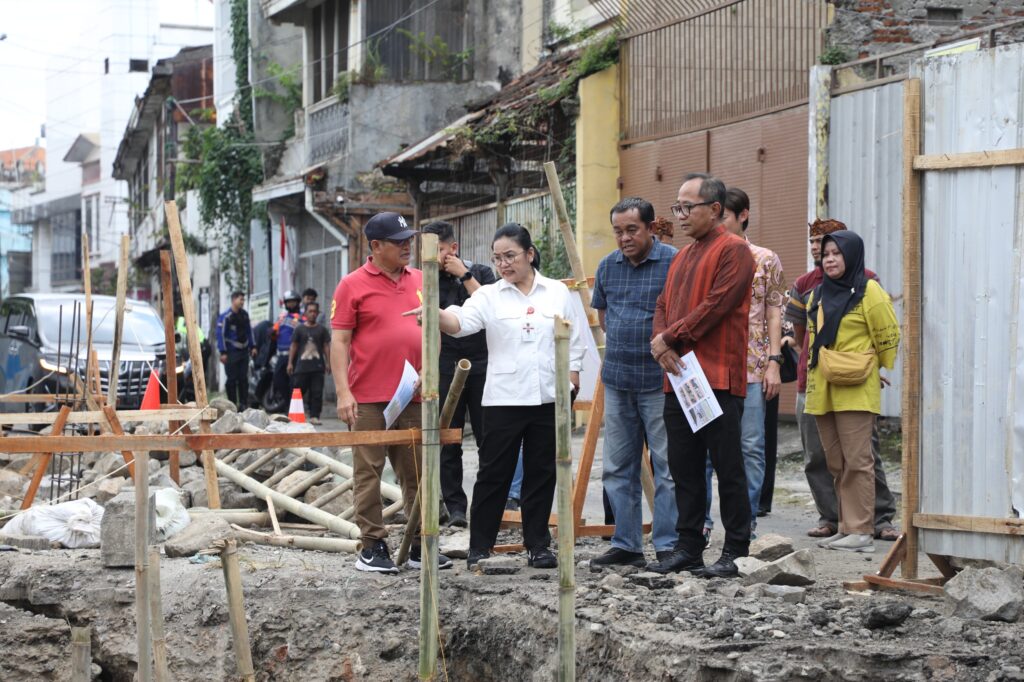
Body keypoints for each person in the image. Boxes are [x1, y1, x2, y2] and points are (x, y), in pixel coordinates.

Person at [432, 223, 586, 570]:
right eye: (497, 258)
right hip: (503, 397)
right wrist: (435, 315)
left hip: (548, 396)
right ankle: (480, 546)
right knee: (493, 473)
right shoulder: (489, 295)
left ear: (530, 254)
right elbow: (461, 322)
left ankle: (538, 545)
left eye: (510, 256)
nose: (503, 264)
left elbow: (573, 338)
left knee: (541, 472)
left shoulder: (556, 292)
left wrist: (572, 378)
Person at [330, 211, 452, 574]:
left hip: (413, 394)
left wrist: (430, 370)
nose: (407, 247)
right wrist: (343, 393)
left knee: (417, 471)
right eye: (398, 242)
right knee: (368, 471)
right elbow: (339, 341)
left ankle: (418, 545)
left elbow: (435, 330)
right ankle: (373, 545)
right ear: (376, 246)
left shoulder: (421, 278)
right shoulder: (352, 284)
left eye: (408, 240)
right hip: (367, 396)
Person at [647, 173, 755, 579]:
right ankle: (688, 546)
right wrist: (662, 341)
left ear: (714, 209)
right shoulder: (683, 255)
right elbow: (662, 303)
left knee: (727, 467)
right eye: (677, 207)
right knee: (684, 467)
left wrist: (669, 338)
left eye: (687, 207)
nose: (681, 215)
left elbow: (717, 305)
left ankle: (736, 549)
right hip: (680, 378)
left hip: (718, 376)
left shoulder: (735, 251)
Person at [785, 219, 899, 541]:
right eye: (825, 252)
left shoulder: (869, 288)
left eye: (836, 252)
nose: (827, 257)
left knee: (859, 459)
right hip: (821, 385)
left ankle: (864, 528)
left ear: (851, 253)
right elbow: (803, 335)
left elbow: (888, 335)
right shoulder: (815, 291)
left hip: (855, 386)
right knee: (833, 460)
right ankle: (844, 525)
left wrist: (874, 366)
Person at [589, 197, 679, 567]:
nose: (624, 238)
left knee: (667, 466)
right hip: (618, 379)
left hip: (660, 381)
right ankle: (626, 543)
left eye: (632, 230)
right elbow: (605, 315)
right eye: (618, 231)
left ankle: (669, 543)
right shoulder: (608, 267)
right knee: (617, 466)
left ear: (650, 228)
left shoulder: (674, 262)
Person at [705, 188, 785, 538]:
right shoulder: (704, 255)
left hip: (752, 363)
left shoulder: (765, 258)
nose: (719, 224)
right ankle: (702, 523)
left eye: (724, 217)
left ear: (743, 215)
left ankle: (746, 521)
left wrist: (774, 362)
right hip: (711, 364)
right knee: (706, 449)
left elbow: (774, 312)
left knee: (751, 445)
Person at [421, 220, 496, 528]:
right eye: (427, 252)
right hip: (444, 363)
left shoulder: (481, 273)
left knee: (487, 439)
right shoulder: (424, 280)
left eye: (438, 250)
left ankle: (488, 505)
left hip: (483, 363)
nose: (433, 258)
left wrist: (463, 274)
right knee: (447, 439)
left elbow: (493, 308)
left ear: (452, 248)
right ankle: (455, 509)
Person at [287, 301, 330, 425]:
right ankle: (296, 415)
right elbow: (294, 346)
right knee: (298, 392)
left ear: (317, 313)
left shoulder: (322, 330)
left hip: (317, 367)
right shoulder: (299, 329)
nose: (312, 314)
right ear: (305, 313)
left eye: (314, 311)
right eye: (310, 311)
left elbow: (326, 346)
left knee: (317, 393)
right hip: (301, 368)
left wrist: (328, 362)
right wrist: (290, 363)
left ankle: (314, 416)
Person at [216, 291, 256, 409]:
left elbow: (249, 331)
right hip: (231, 352)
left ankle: (243, 404)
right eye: (240, 300)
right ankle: (232, 405)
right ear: (233, 300)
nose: (242, 302)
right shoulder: (225, 317)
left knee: (243, 378)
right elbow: (220, 335)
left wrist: (253, 346)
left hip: (244, 352)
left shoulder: (244, 315)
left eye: (243, 300)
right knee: (232, 379)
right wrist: (223, 352)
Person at [272, 290, 303, 403]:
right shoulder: (281, 317)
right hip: (281, 354)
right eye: (288, 302)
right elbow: (274, 332)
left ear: (298, 302)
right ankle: (287, 403)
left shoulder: (302, 317)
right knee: (278, 379)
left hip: (295, 355)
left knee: (293, 382)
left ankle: (293, 406)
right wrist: (271, 333)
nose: (290, 304)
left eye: (293, 302)